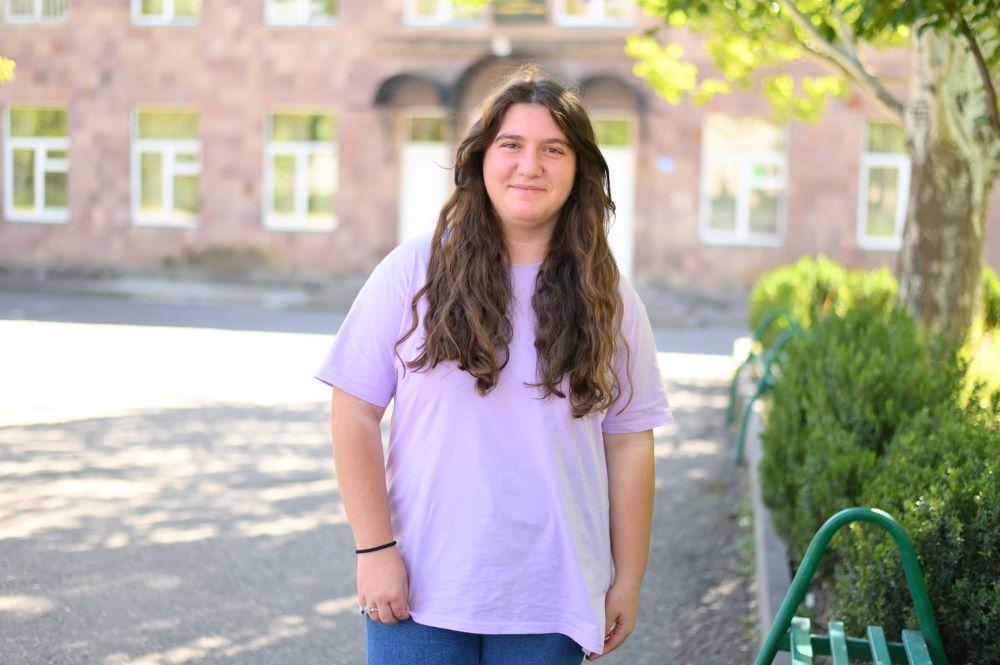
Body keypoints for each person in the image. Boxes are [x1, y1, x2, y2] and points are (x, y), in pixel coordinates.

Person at [315, 64, 671, 665]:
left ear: (579, 168)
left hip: (551, 595)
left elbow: (630, 442)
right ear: (481, 158)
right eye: (511, 145)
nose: (529, 166)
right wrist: (374, 549)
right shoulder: (413, 272)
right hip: (419, 588)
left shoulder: (610, 297)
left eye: (553, 149)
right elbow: (354, 411)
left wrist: (627, 578)